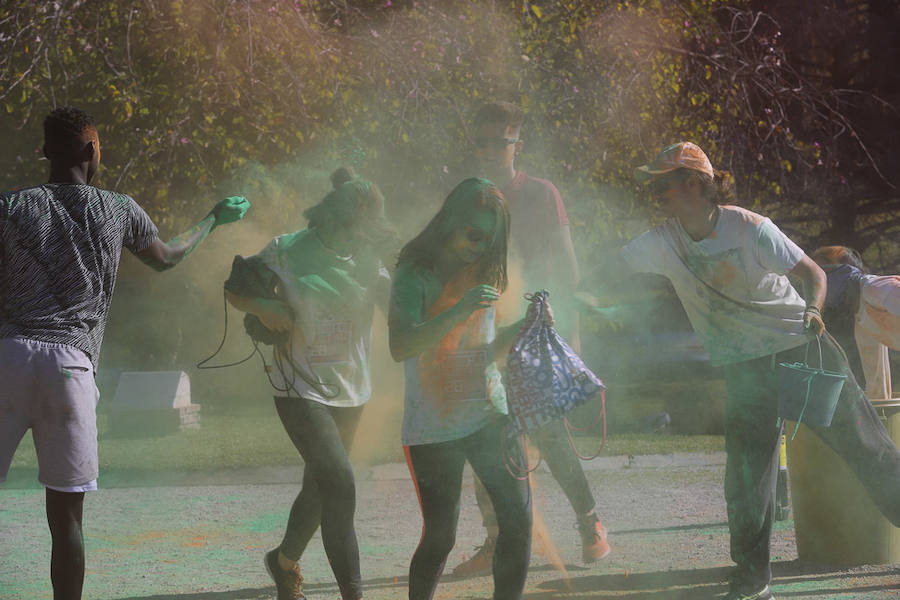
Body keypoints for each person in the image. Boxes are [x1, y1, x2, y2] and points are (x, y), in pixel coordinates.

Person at [595, 141, 900, 600]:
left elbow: (815, 274)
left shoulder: (750, 227)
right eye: (657, 188)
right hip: (744, 369)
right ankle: (752, 580)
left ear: (698, 185)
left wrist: (814, 312)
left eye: (668, 185)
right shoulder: (663, 241)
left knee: (868, 451)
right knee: (745, 480)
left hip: (801, 351)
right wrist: (566, 287)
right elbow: (606, 269)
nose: (660, 196)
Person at [0, 106, 249, 600]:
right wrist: (214, 218)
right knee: (66, 518)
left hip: (7, 360)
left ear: (45, 151)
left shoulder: (9, 206)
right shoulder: (118, 209)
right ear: (93, 151)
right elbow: (168, 258)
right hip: (71, 367)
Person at [453, 101, 609, 577]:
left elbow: (568, 268)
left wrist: (571, 340)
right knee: (486, 437)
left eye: (498, 141)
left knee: (549, 434)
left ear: (517, 144)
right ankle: (497, 541)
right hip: (483, 325)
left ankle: (590, 523)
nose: (488, 150)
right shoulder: (466, 198)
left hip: (535, 326)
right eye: (480, 141)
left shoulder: (542, 193)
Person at [225, 167, 393, 600]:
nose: (364, 237)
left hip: (352, 390)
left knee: (319, 489)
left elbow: (399, 312)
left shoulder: (371, 260)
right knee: (340, 480)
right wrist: (263, 305)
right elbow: (235, 288)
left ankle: (282, 563)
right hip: (298, 385)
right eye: (360, 228)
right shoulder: (287, 248)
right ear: (333, 220)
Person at [389, 178, 534, 600]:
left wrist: (524, 328)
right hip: (433, 425)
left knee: (518, 522)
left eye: (489, 240)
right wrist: (459, 308)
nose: (479, 246)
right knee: (441, 537)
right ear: (450, 221)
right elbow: (401, 346)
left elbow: (484, 345)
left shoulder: (483, 270)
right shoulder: (413, 272)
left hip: (491, 413)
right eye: (473, 234)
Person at [811, 245, 899, 401]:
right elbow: (877, 383)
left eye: (824, 274)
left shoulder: (875, 288)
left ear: (844, 272)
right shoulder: (862, 318)